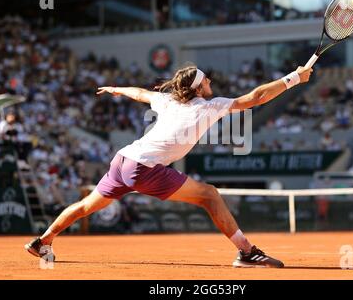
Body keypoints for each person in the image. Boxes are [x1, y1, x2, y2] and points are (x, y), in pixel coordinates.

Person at [25, 65, 313, 268]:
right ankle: (246, 253)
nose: (210, 82)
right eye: (207, 80)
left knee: (87, 205)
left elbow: (139, 93)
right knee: (210, 195)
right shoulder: (208, 106)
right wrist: (294, 79)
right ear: (199, 87)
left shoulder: (167, 101)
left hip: (124, 159)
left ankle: (43, 240)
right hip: (144, 168)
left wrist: (116, 89)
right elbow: (256, 98)